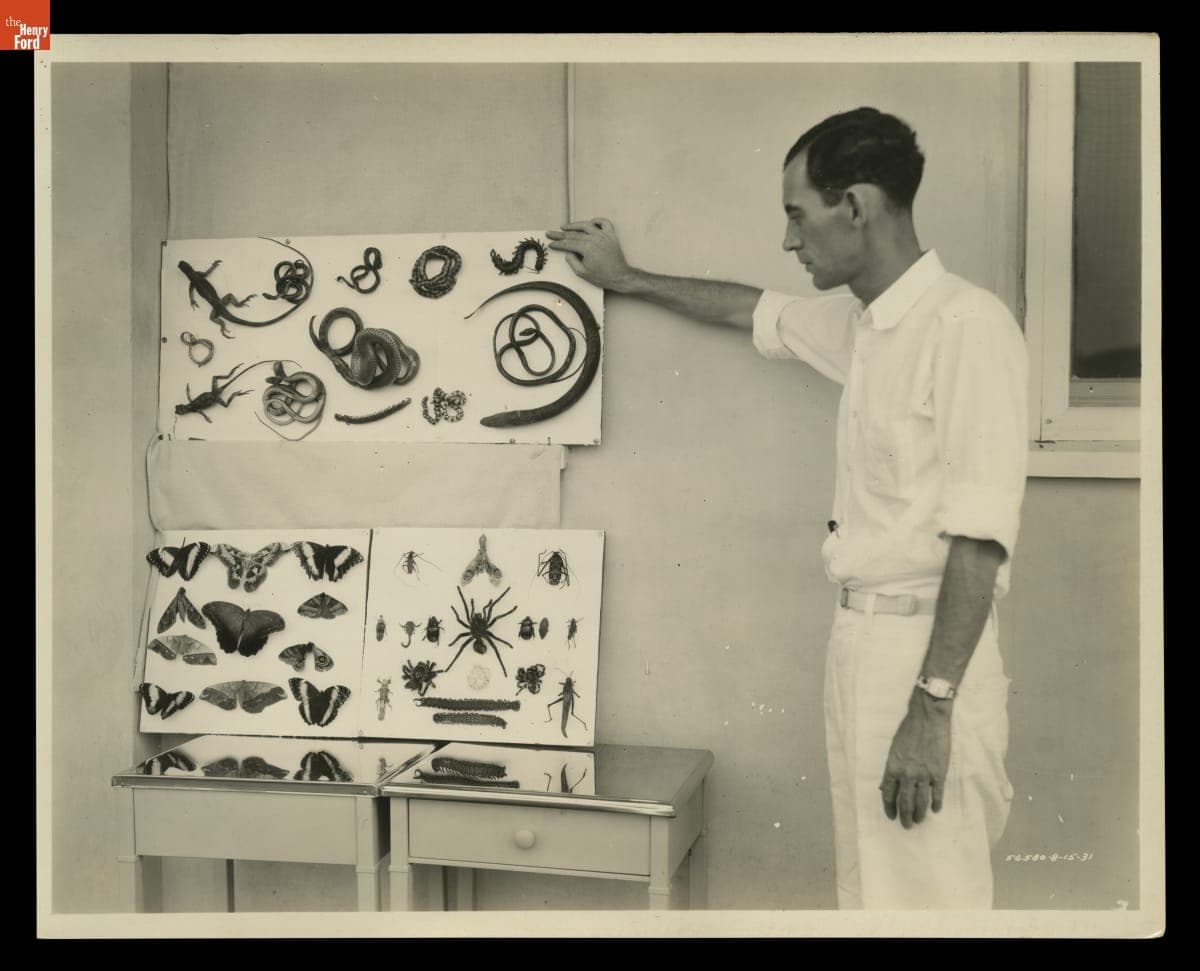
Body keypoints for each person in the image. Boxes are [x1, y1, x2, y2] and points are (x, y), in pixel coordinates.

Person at [547, 107, 1027, 910]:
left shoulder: (966, 328)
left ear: (857, 206)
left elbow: (979, 541)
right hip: (860, 646)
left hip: (925, 659)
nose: (788, 240)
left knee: (928, 902)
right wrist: (628, 279)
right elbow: (751, 311)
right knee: (870, 895)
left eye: (796, 214)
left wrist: (930, 707)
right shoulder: (866, 326)